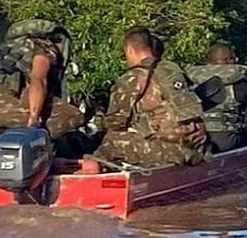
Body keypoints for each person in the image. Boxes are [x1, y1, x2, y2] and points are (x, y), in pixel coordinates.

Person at [89, 27, 209, 168]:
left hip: (167, 152)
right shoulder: (172, 70)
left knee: (111, 141)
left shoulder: (133, 77)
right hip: (196, 148)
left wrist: (98, 123)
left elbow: (116, 122)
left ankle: (91, 176)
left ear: (130, 50)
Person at [0, 19, 85, 164]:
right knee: (73, 116)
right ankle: (46, 156)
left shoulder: (6, 49)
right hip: (12, 110)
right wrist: (34, 118)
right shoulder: (43, 48)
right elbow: (38, 79)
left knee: (4, 127)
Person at [188, 43, 247, 154]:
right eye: (234, 58)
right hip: (226, 142)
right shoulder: (240, 84)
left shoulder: (191, 82)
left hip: (195, 139)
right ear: (230, 60)